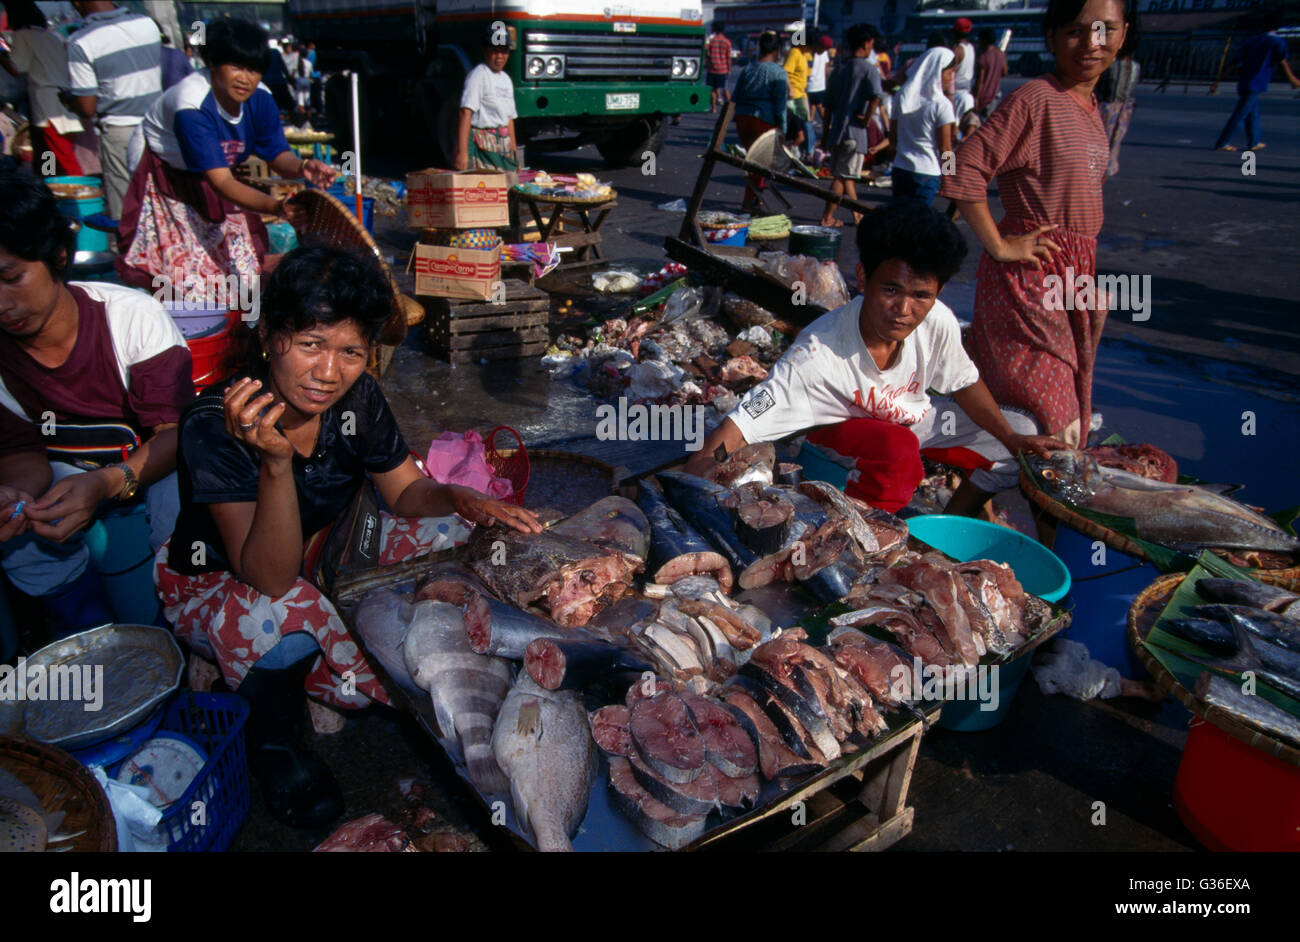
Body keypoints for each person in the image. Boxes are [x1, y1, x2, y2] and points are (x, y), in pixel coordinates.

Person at [156, 245, 541, 828]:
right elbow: (267, 574)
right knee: (278, 615)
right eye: (310, 344)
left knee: (449, 527)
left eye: (351, 351)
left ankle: (371, 669)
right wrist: (276, 464)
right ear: (270, 335)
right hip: (217, 580)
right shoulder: (216, 425)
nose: (329, 373)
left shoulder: (355, 398)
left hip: (322, 550)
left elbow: (406, 494)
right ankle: (275, 745)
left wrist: (461, 497)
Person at [685, 203, 1060, 516]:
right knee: (897, 451)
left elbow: (963, 383)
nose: (903, 309)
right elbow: (736, 430)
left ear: (938, 292)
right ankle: (866, 535)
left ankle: (952, 522)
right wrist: (691, 482)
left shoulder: (938, 320)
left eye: (921, 295)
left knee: (1023, 430)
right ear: (863, 278)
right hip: (838, 436)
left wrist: (1010, 438)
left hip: (912, 422)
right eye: (891, 289)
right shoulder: (815, 355)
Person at [0, 167, 191, 633]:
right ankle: (94, 637)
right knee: (22, 545)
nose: (1, 301)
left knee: (180, 499)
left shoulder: (131, 319)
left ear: (58, 256)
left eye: (11, 277)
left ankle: (179, 618)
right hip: (65, 480)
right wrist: (19, 497)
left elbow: (175, 435)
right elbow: (21, 450)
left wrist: (107, 484)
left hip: (148, 471)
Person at [941, 0, 1136, 453]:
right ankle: (1032, 515)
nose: (1091, 43)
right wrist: (999, 246)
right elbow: (964, 166)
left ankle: (986, 502)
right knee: (1048, 416)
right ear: (1051, 39)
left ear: (1122, 35)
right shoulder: (1035, 99)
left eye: (1104, 30)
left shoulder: (1090, 105)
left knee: (1062, 402)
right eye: (1075, 31)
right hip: (1032, 277)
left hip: (1074, 272)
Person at [116, 18, 336, 298]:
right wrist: (275, 205)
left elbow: (277, 154)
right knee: (178, 262)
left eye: (254, 69)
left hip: (214, 170)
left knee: (233, 257)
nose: (245, 78)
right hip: (165, 165)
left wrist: (304, 166)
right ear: (213, 64)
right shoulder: (192, 105)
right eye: (236, 66)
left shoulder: (261, 99)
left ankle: (234, 310)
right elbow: (221, 182)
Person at [65, 0, 161, 221]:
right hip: (155, 125)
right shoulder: (147, 24)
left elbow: (87, 107)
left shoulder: (80, 41)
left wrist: (71, 102)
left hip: (119, 130)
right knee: (157, 200)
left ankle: (129, 253)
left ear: (77, 3)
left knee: (126, 208)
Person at [0, 0, 84, 175]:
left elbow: (16, 67)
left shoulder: (23, 36)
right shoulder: (53, 36)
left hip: (47, 104)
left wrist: (2, 55)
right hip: (66, 100)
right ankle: (52, 181)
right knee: (57, 150)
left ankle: (67, 187)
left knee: (58, 152)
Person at [819, 22, 882, 227]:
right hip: (855, 132)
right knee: (842, 176)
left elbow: (827, 106)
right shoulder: (868, 69)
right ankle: (827, 217)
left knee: (846, 175)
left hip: (837, 131)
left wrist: (825, 132)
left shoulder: (839, 68)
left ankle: (856, 214)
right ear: (866, 43)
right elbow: (875, 97)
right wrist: (867, 119)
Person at [1213, 9, 1299, 152]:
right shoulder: (1278, 42)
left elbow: (1234, 62)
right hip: (1257, 82)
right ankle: (1223, 142)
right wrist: (1292, 79)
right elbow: (1282, 62)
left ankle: (1254, 141)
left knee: (1253, 113)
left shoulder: (1251, 41)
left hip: (1244, 81)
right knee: (1241, 114)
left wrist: (1217, 80)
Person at [890, 47, 956, 206]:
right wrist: (950, 176)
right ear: (936, 72)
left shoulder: (902, 96)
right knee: (920, 226)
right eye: (949, 73)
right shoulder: (942, 104)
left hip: (900, 169)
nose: (951, 78)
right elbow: (945, 147)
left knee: (900, 223)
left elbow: (893, 138)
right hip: (927, 173)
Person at [731, 30, 788, 212]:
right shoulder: (778, 72)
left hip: (742, 120)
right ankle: (750, 202)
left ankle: (756, 199)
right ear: (778, 50)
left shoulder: (748, 69)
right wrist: (783, 129)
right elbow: (780, 106)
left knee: (753, 162)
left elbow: (735, 97)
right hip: (762, 121)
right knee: (760, 164)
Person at [455, 25, 517, 171]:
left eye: (504, 51)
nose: (500, 56)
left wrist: (514, 153)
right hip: (482, 146)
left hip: (503, 146)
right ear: (486, 50)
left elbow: (509, 120)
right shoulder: (478, 76)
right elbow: (465, 113)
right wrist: (462, 153)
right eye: (495, 51)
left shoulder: (506, 80)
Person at [1097, 26, 1139, 177]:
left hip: (1111, 107)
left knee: (1105, 144)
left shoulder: (1115, 65)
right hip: (1117, 109)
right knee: (1108, 144)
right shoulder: (1131, 66)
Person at [974, 27, 1008, 118]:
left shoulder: (983, 57)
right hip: (995, 95)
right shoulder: (1000, 54)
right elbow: (1004, 72)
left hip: (985, 96)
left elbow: (980, 81)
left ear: (984, 40)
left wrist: (976, 98)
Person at [706, 21, 732, 113]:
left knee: (712, 90)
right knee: (725, 89)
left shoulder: (711, 41)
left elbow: (707, 53)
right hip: (723, 70)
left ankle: (714, 108)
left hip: (712, 69)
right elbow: (729, 58)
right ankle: (729, 109)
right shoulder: (727, 42)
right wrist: (729, 69)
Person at [807, 34, 832, 130]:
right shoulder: (825, 53)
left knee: (813, 108)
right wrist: (827, 83)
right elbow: (826, 70)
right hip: (820, 86)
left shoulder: (811, 52)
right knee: (820, 109)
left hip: (810, 86)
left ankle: (827, 128)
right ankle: (827, 127)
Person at [953, 17, 976, 98]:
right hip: (967, 88)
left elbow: (951, 71)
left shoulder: (958, 50)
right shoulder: (971, 47)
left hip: (956, 89)